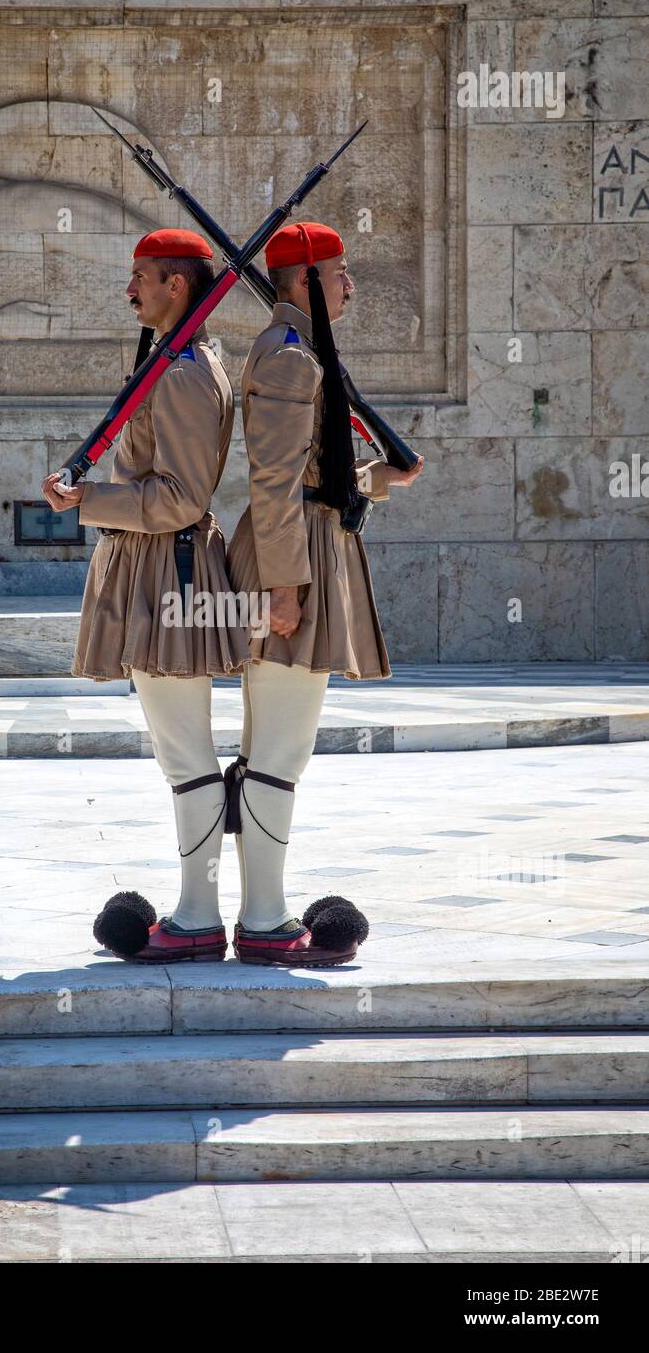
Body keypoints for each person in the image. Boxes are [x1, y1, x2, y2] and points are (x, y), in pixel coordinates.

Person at [42, 228, 249, 964]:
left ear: (179, 287)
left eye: (143, 278)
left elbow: (182, 499)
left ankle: (197, 918)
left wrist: (88, 499)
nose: (129, 290)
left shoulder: (187, 373)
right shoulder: (174, 359)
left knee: (185, 753)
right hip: (163, 567)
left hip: (172, 570)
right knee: (181, 750)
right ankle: (205, 910)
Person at [225, 220, 425, 966]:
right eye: (340, 273)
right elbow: (273, 483)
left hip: (304, 549)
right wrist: (283, 586)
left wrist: (378, 478)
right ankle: (267, 923)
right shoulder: (287, 360)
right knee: (280, 745)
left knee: (279, 742)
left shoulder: (301, 354)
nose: (350, 285)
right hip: (293, 561)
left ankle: (259, 912)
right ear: (306, 281)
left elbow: (316, 476)